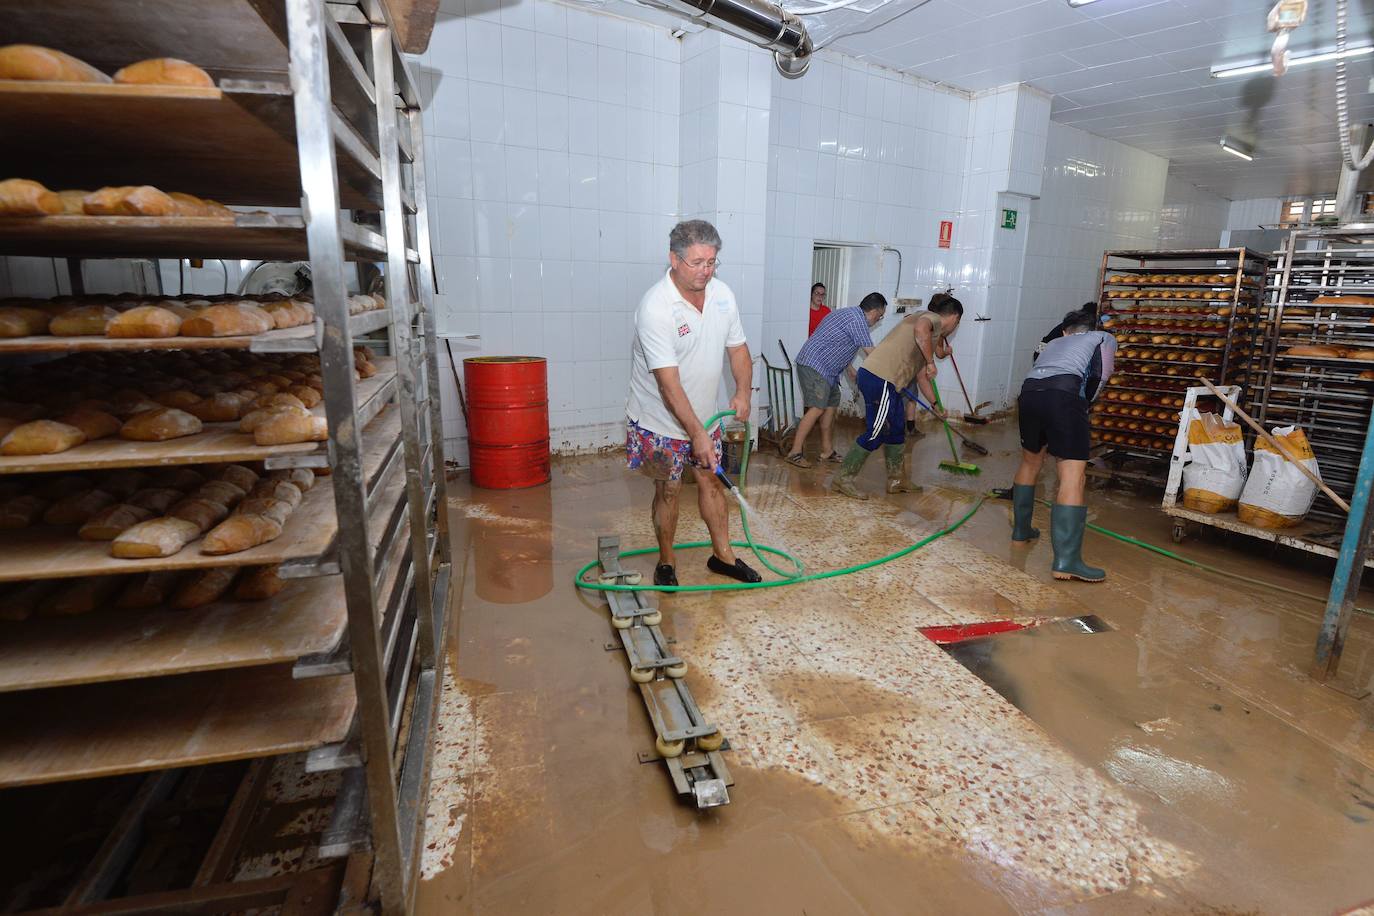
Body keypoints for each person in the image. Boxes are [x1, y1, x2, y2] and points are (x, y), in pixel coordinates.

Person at [626, 220, 761, 587]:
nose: (705, 270)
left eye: (712, 262)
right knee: (668, 488)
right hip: (660, 419)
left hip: (706, 413)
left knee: (712, 483)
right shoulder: (656, 308)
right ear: (673, 258)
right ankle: (667, 561)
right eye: (697, 262)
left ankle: (723, 556)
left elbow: (738, 349)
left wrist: (743, 391)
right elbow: (668, 384)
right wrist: (695, 434)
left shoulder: (722, 295)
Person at [1010, 308, 1117, 582]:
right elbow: (1100, 377)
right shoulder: (1103, 339)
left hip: (1030, 394)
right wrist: (1083, 406)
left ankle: (1021, 532)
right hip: (1064, 396)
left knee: (1031, 461)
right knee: (1072, 475)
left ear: (1067, 330)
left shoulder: (1055, 342)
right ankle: (1067, 561)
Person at [832, 293, 963, 499]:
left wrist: (935, 404)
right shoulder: (931, 319)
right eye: (958, 323)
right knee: (877, 431)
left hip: (884, 381)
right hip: (880, 378)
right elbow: (921, 329)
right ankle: (843, 478)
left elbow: (921, 377)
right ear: (955, 318)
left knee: (896, 430)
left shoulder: (929, 333)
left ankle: (897, 480)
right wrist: (930, 362)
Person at [786, 292, 887, 467]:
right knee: (817, 408)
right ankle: (794, 452)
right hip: (814, 364)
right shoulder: (858, 321)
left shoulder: (848, 314)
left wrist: (849, 368)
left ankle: (827, 451)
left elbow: (837, 342)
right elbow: (872, 353)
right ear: (873, 312)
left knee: (831, 407)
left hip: (830, 370)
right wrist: (891, 369)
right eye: (880, 316)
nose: (878, 320)